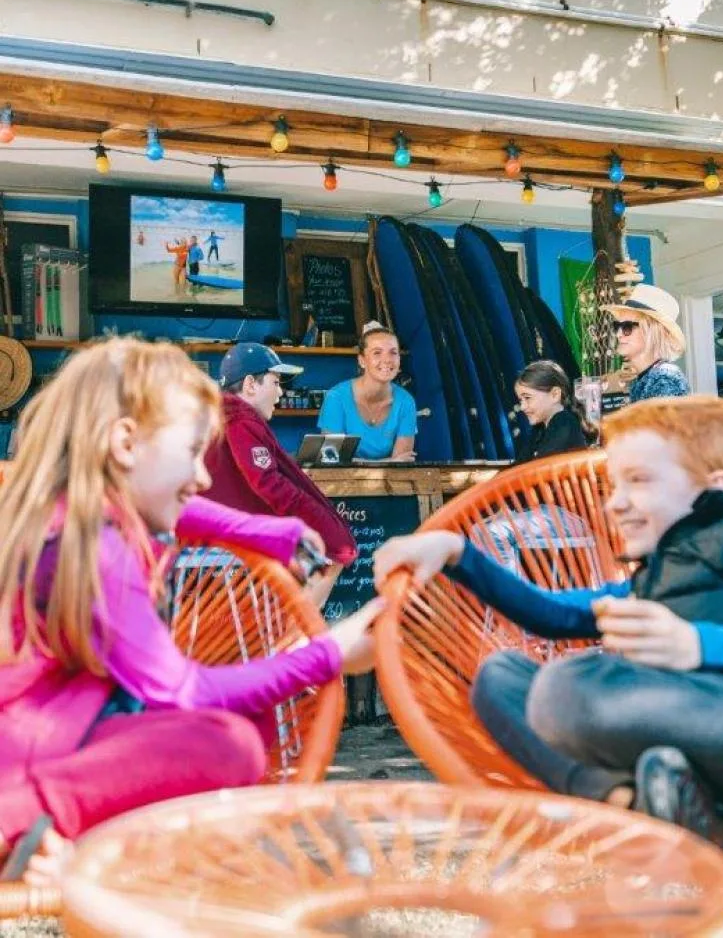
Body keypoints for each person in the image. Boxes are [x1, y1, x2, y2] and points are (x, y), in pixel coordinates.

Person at [0, 338, 383, 887]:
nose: (203, 476)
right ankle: (25, 825)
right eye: (191, 452)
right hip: (28, 760)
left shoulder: (73, 507)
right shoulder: (101, 550)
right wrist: (327, 654)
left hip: (58, 732)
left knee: (239, 727)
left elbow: (187, 512)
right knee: (225, 744)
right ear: (126, 444)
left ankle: (77, 835)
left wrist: (268, 531)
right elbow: (185, 693)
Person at [374, 395, 723, 857]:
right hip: (689, 774)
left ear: (715, 488)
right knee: (504, 677)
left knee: (569, 683)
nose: (616, 504)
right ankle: (639, 803)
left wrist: (697, 644)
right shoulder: (649, 582)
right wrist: (457, 552)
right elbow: (552, 614)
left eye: (638, 481)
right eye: (613, 486)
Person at [205, 342, 357, 608]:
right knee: (339, 546)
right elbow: (267, 483)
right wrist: (315, 517)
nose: (280, 392)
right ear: (251, 384)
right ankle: (296, 634)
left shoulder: (224, 417)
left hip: (225, 530)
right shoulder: (241, 421)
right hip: (241, 535)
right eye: (275, 382)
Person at [317, 322, 417, 462]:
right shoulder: (336, 397)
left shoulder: (406, 402)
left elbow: (401, 466)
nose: (387, 360)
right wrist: (387, 462)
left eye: (393, 352)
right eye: (377, 352)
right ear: (362, 361)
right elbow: (331, 459)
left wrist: (391, 463)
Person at [607, 283, 690, 402]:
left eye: (627, 327)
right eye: (617, 326)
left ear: (651, 332)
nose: (618, 334)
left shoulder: (665, 379)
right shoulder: (645, 379)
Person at [514, 360, 592, 461]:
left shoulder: (563, 422)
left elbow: (541, 466)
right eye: (521, 400)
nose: (523, 407)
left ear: (555, 394)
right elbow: (520, 464)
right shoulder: (539, 429)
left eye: (528, 398)